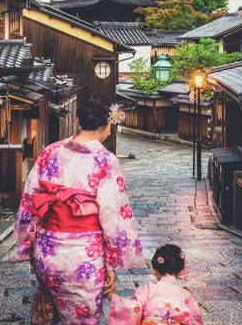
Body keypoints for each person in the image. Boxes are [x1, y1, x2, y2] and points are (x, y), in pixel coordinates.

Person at [9, 95, 145, 325]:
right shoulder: (105, 160)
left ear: (77, 120)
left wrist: (27, 238)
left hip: (47, 254)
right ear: (108, 124)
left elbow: (29, 199)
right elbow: (115, 217)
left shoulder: (50, 152)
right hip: (84, 258)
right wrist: (111, 264)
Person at [106, 244, 204, 325]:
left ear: (153, 269)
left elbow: (132, 309)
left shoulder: (148, 289)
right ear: (182, 271)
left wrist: (111, 296)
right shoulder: (186, 297)